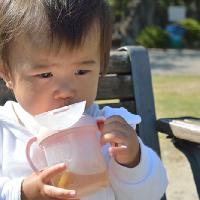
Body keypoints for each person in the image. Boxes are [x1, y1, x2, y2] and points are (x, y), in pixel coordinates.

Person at [0, 0, 167, 199]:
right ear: (7, 73)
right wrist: (22, 192)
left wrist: (133, 162)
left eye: (81, 71)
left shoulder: (110, 129)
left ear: (101, 66)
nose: (65, 91)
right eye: (45, 75)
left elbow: (152, 194)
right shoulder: (5, 129)